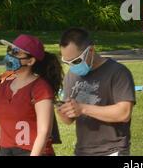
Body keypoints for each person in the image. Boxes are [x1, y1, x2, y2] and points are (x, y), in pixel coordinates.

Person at [56, 27, 136, 156]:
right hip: (82, 151)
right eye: (67, 62)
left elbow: (124, 113)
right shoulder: (71, 75)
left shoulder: (118, 72)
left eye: (76, 61)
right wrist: (62, 111)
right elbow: (69, 120)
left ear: (91, 51)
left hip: (113, 150)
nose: (72, 66)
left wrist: (82, 108)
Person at [0, 34, 63, 156]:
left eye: (16, 52)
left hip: (33, 151)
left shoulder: (40, 88)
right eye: (9, 50)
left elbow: (44, 132)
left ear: (30, 61)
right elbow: (2, 124)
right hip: (5, 151)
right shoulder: (4, 86)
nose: (10, 55)